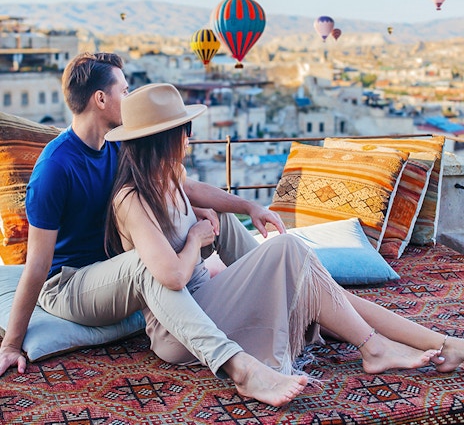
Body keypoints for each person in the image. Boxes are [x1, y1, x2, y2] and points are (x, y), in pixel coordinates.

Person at [103, 82, 464, 397]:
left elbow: (198, 189)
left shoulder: (169, 174)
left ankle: (441, 344)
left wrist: (249, 205)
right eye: (184, 130)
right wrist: (196, 239)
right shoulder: (132, 199)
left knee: (324, 290)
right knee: (288, 249)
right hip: (181, 330)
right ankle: (374, 347)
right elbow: (172, 277)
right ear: (164, 139)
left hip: (209, 302)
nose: (190, 137)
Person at [0, 52, 312, 407]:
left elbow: (184, 184)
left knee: (206, 218)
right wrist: (11, 344)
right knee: (146, 264)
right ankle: (240, 368)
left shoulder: (116, 144)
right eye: (125, 90)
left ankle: (297, 292)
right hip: (70, 285)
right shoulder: (55, 168)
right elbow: (38, 265)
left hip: (114, 273)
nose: (130, 98)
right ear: (100, 99)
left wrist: (249, 206)